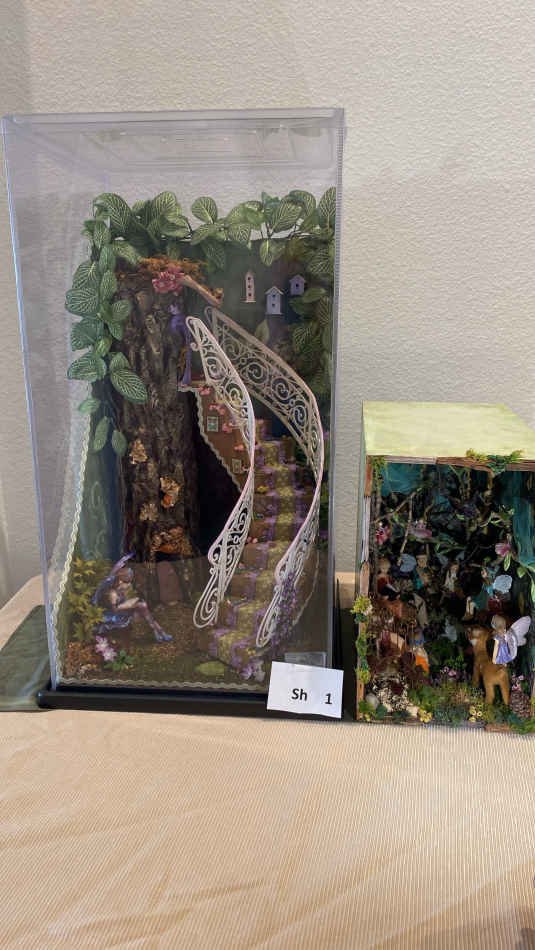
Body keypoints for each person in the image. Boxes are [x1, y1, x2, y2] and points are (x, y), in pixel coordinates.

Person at [92, 553, 172, 642]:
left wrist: (130, 604)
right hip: (116, 616)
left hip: (124, 611)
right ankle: (159, 632)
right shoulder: (113, 593)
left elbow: (124, 601)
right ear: (120, 581)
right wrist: (131, 605)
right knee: (142, 606)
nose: (128, 585)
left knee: (143, 606)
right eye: (127, 583)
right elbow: (115, 609)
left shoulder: (121, 589)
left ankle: (158, 632)